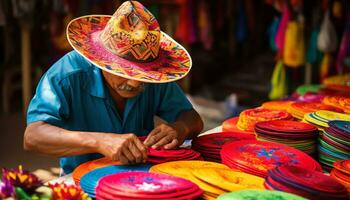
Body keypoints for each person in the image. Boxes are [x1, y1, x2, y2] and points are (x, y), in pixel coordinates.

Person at [23, 1, 203, 174]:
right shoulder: (67, 74)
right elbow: (33, 136)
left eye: (142, 75)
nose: (135, 83)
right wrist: (98, 141)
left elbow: (193, 119)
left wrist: (180, 128)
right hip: (80, 181)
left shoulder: (155, 75)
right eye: (124, 72)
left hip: (143, 178)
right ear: (101, 61)